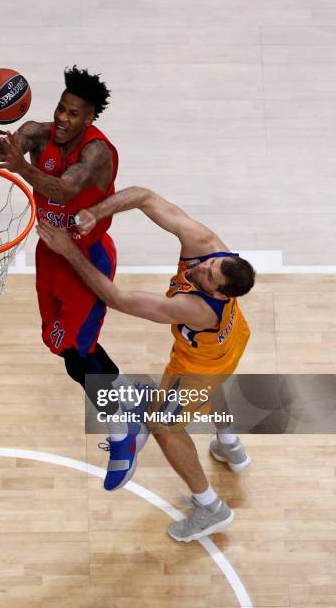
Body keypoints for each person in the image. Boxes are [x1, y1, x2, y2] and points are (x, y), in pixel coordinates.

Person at [36, 186, 255, 542]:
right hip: (232, 340)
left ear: (218, 294)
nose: (201, 269)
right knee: (213, 383)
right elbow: (145, 197)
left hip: (199, 364)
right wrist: (97, 211)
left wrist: (70, 250)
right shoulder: (204, 244)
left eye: (209, 277)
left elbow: (117, 298)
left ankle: (211, 508)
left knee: (163, 424)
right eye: (210, 263)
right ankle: (228, 443)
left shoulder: (195, 308)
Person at [0, 65, 146, 490]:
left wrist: (23, 168)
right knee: (63, 348)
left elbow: (65, 190)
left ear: (89, 119)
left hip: (86, 259)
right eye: (61, 108)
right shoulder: (39, 132)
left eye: (74, 114)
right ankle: (130, 402)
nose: (62, 118)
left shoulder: (97, 154)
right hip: (51, 253)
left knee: (78, 351)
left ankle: (123, 434)